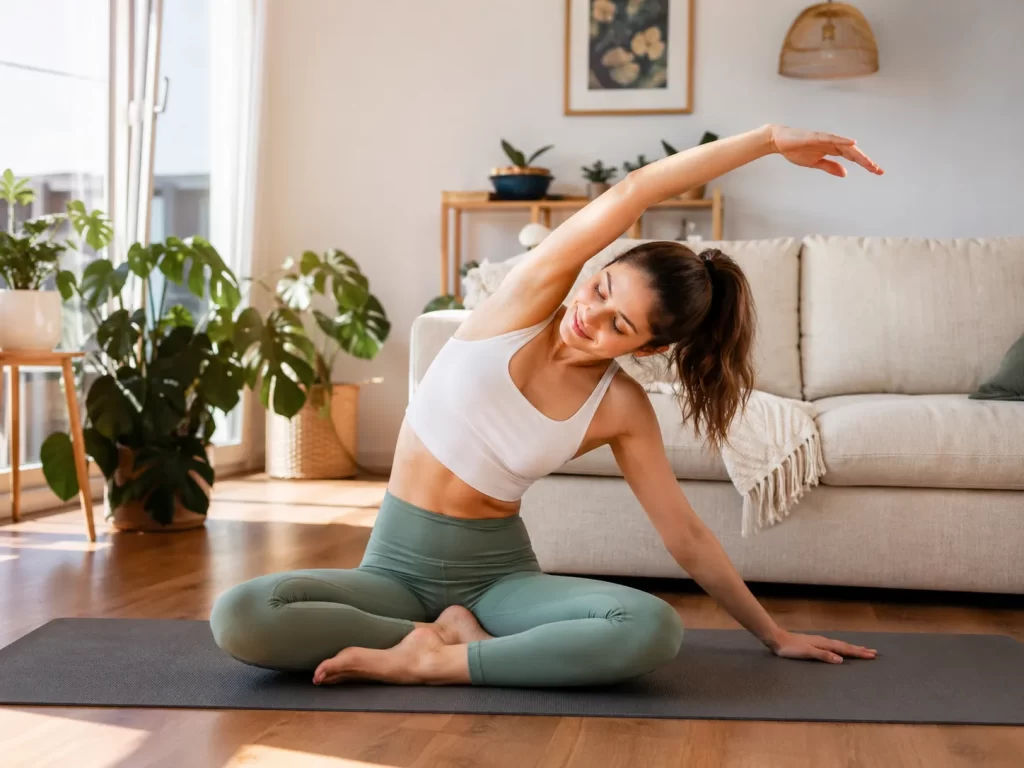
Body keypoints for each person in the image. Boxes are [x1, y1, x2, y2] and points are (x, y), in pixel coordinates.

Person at [211, 124, 884, 688]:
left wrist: (772, 634)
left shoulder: (620, 405)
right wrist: (766, 140)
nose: (589, 316)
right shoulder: (527, 297)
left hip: (496, 579)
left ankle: (439, 663)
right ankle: (431, 636)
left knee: (651, 629)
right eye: (601, 288)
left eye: (620, 324)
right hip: (392, 568)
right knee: (242, 614)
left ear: (647, 350)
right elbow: (634, 191)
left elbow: (685, 536)